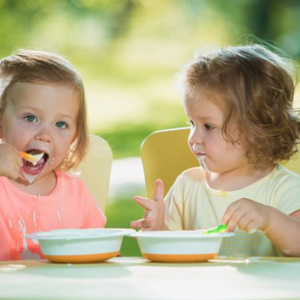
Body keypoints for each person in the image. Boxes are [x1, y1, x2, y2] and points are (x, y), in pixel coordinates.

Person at [131, 44, 300, 257]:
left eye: (208, 126)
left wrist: (270, 219)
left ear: (256, 129)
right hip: (200, 290)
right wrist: (157, 230)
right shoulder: (187, 186)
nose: (193, 138)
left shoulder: (285, 189)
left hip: (265, 291)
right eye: (191, 123)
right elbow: (172, 252)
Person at [0, 49, 106, 261]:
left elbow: (99, 254)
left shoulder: (77, 194)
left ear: (75, 135)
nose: (45, 135)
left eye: (61, 124)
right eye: (30, 118)